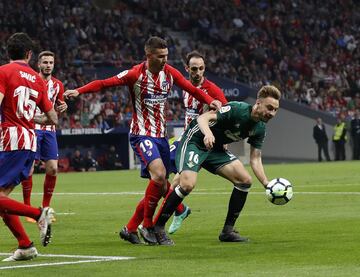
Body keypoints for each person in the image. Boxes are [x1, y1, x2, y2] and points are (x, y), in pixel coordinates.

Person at [64, 37, 222, 244]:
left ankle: (130, 229)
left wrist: (212, 101)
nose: (165, 60)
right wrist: (79, 91)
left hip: (161, 137)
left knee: (161, 186)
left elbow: (193, 90)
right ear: (149, 56)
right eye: (160, 56)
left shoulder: (170, 73)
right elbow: (104, 83)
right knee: (159, 176)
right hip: (141, 134)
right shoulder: (135, 74)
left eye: (166, 56)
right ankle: (148, 227)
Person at [153, 85, 281, 245]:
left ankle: (227, 231)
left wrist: (266, 183)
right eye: (269, 108)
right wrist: (207, 134)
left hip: (215, 149)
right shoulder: (237, 109)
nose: (272, 113)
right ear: (258, 103)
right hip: (196, 141)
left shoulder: (260, 128)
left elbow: (255, 159)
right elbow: (203, 118)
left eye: (275, 110)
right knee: (187, 184)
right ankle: (158, 228)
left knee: (245, 180)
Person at [0, 33, 58, 261]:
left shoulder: (4, 71)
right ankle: (25, 246)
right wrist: (34, 118)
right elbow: (52, 117)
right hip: (29, 141)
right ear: (29, 54)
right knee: (3, 198)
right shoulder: (36, 79)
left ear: (8, 52)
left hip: (10, 141)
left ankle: (38, 213)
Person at [166, 50, 228, 235]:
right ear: (187, 69)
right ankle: (178, 212)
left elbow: (226, 114)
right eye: (194, 69)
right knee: (161, 177)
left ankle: (157, 221)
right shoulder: (185, 87)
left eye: (201, 68)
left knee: (174, 182)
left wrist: (223, 138)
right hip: (185, 138)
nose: (198, 72)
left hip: (200, 144)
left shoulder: (213, 90)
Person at [21, 51, 67, 223]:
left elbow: (58, 108)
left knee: (53, 169)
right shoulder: (31, 80)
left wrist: (63, 108)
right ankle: (27, 210)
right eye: (45, 62)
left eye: (51, 62)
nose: (48, 65)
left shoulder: (58, 85)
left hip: (49, 130)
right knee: (30, 168)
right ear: (39, 64)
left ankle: (45, 209)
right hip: (32, 128)